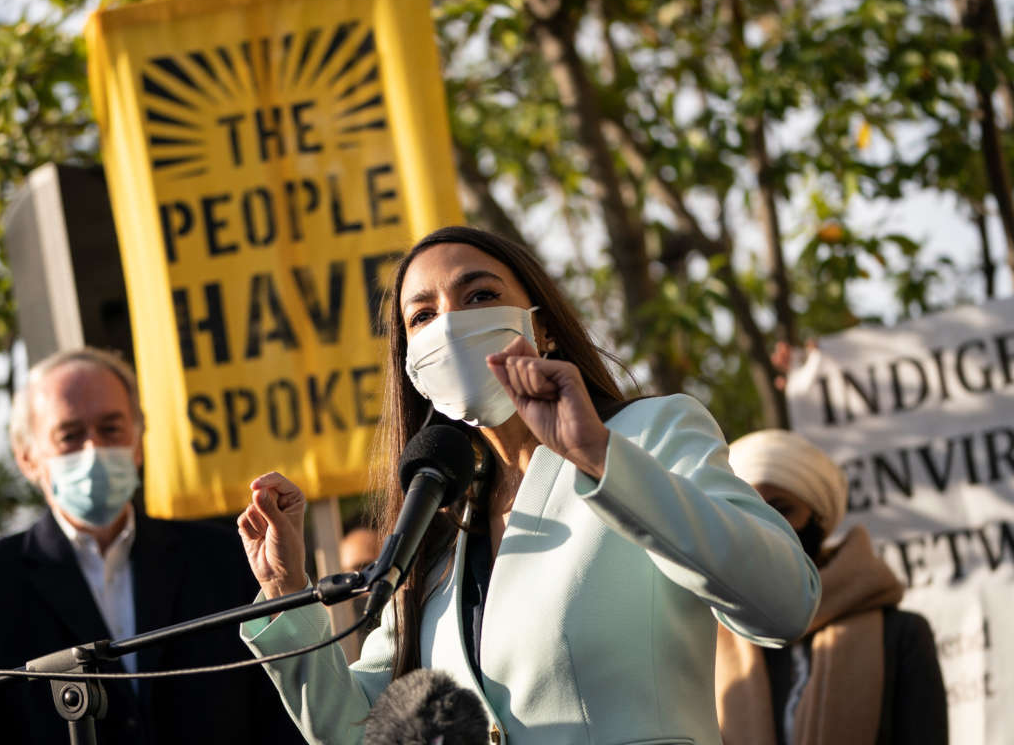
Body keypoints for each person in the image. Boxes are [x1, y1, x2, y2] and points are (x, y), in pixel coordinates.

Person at [236, 226, 821, 745]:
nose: (452, 324)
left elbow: (784, 601)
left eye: (480, 296)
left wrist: (598, 457)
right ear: (413, 365)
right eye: (423, 316)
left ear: (540, 327)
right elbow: (361, 731)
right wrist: (287, 589)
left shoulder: (649, 433)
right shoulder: (438, 518)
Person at [0, 347, 303, 745]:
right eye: (69, 435)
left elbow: (279, 711)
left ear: (138, 443)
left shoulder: (224, 559)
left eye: (111, 428)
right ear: (28, 459)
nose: (94, 449)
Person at [718, 428, 948, 745]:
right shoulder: (707, 643)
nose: (766, 527)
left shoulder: (900, 635)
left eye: (782, 509)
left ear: (818, 518)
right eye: (746, 511)